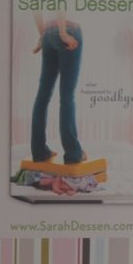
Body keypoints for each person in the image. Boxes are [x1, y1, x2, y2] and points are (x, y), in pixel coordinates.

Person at [28, 13, 84, 166]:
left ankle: (39, 152)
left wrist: (42, 35)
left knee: (42, 96)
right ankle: (73, 154)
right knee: (67, 96)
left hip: (47, 34)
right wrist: (63, 33)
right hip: (68, 29)